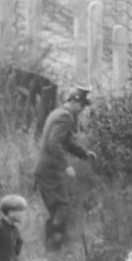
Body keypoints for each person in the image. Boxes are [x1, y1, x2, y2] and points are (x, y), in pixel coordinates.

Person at [33, 86, 97, 250]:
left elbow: (66, 143)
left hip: (47, 169)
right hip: (50, 170)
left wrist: (84, 153)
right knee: (62, 208)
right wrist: (66, 165)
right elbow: (53, 143)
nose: (82, 110)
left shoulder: (58, 113)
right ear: (75, 102)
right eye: (82, 106)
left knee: (57, 209)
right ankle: (55, 247)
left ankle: (51, 249)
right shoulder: (65, 117)